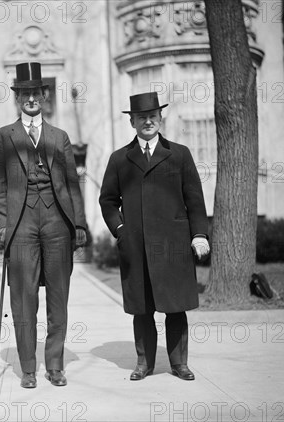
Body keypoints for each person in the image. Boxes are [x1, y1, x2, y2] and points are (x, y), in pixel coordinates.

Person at [99, 92, 210, 381]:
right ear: (132, 122)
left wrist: (199, 235)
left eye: (152, 116)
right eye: (141, 117)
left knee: (175, 307)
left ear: (160, 119)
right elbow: (107, 201)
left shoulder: (180, 154)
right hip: (137, 246)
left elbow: (195, 200)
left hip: (174, 245)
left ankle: (179, 364)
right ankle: (143, 364)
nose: (147, 121)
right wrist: (121, 231)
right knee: (142, 309)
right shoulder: (120, 159)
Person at [0, 62, 87, 388]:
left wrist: (80, 223)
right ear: (17, 98)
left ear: (44, 96)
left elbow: (73, 183)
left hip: (58, 222)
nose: (31, 98)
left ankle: (55, 365)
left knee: (59, 296)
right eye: (24, 93)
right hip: (21, 224)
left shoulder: (60, 137)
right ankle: (28, 368)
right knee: (23, 297)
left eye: (36, 92)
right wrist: (1, 224)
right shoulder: (4, 136)